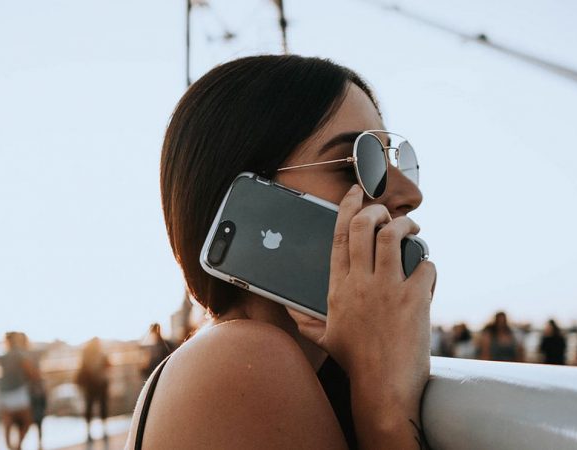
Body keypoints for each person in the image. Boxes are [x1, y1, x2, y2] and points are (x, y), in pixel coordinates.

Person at [124, 55, 437, 449]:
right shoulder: (242, 359)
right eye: (359, 163)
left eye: (394, 160)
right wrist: (388, 411)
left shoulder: (251, 356)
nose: (410, 195)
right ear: (250, 201)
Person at [0, 331, 38, 450]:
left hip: (3, 393)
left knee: (7, 425)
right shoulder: (20, 353)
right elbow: (31, 372)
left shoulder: (4, 355)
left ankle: (11, 447)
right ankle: (17, 446)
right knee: (27, 422)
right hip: (18, 392)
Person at [76, 337, 111, 443]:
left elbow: (82, 368)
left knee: (90, 408)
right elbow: (109, 365)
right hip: (99, 384)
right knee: (102, 407)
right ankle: (103, 431)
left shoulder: (86, 355)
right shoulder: (101, 354)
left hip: (90, 386)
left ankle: (89, 433)